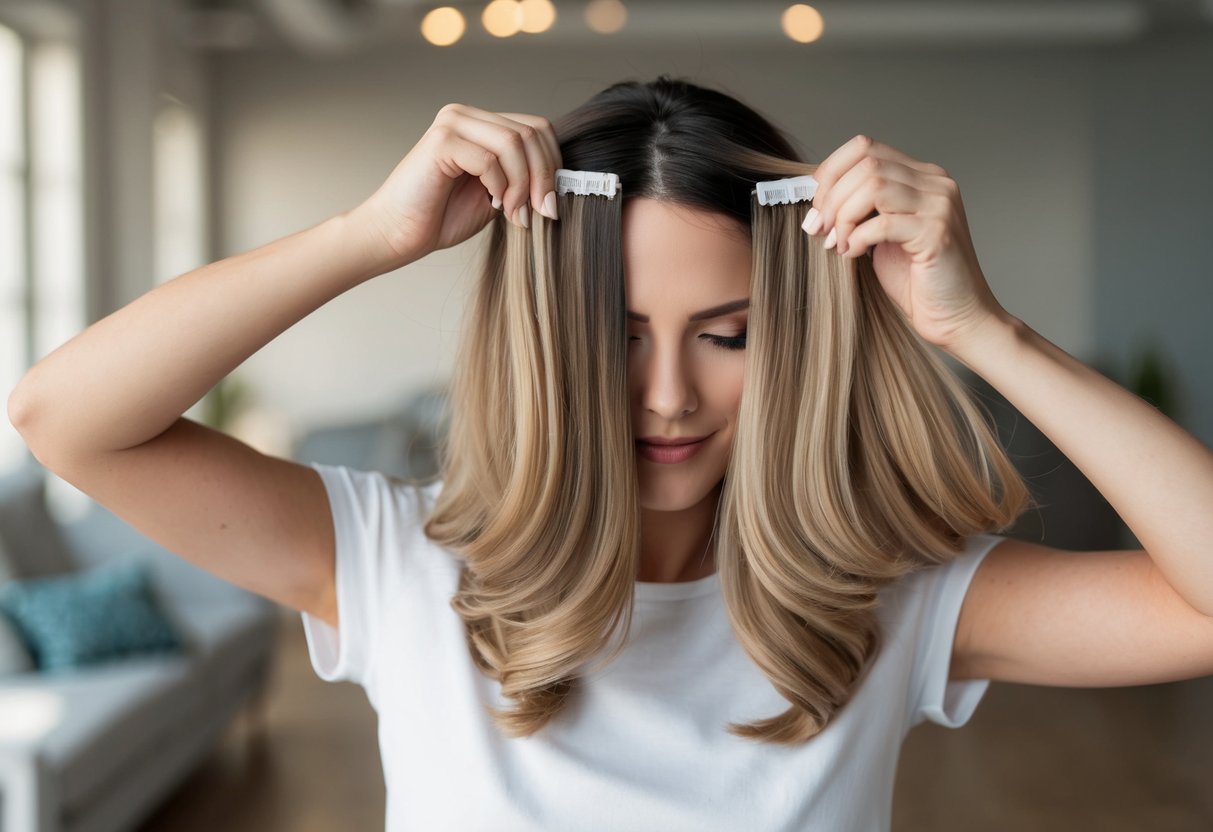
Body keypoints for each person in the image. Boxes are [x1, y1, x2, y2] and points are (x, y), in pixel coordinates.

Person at [8, 75, 1213, 831]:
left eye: (727, 335)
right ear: (546, 339)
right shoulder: (396, 562)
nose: (670, 396)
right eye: (617, 336)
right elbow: (63, 416)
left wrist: (978, 329)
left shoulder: (888, 598)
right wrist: (368, 236)